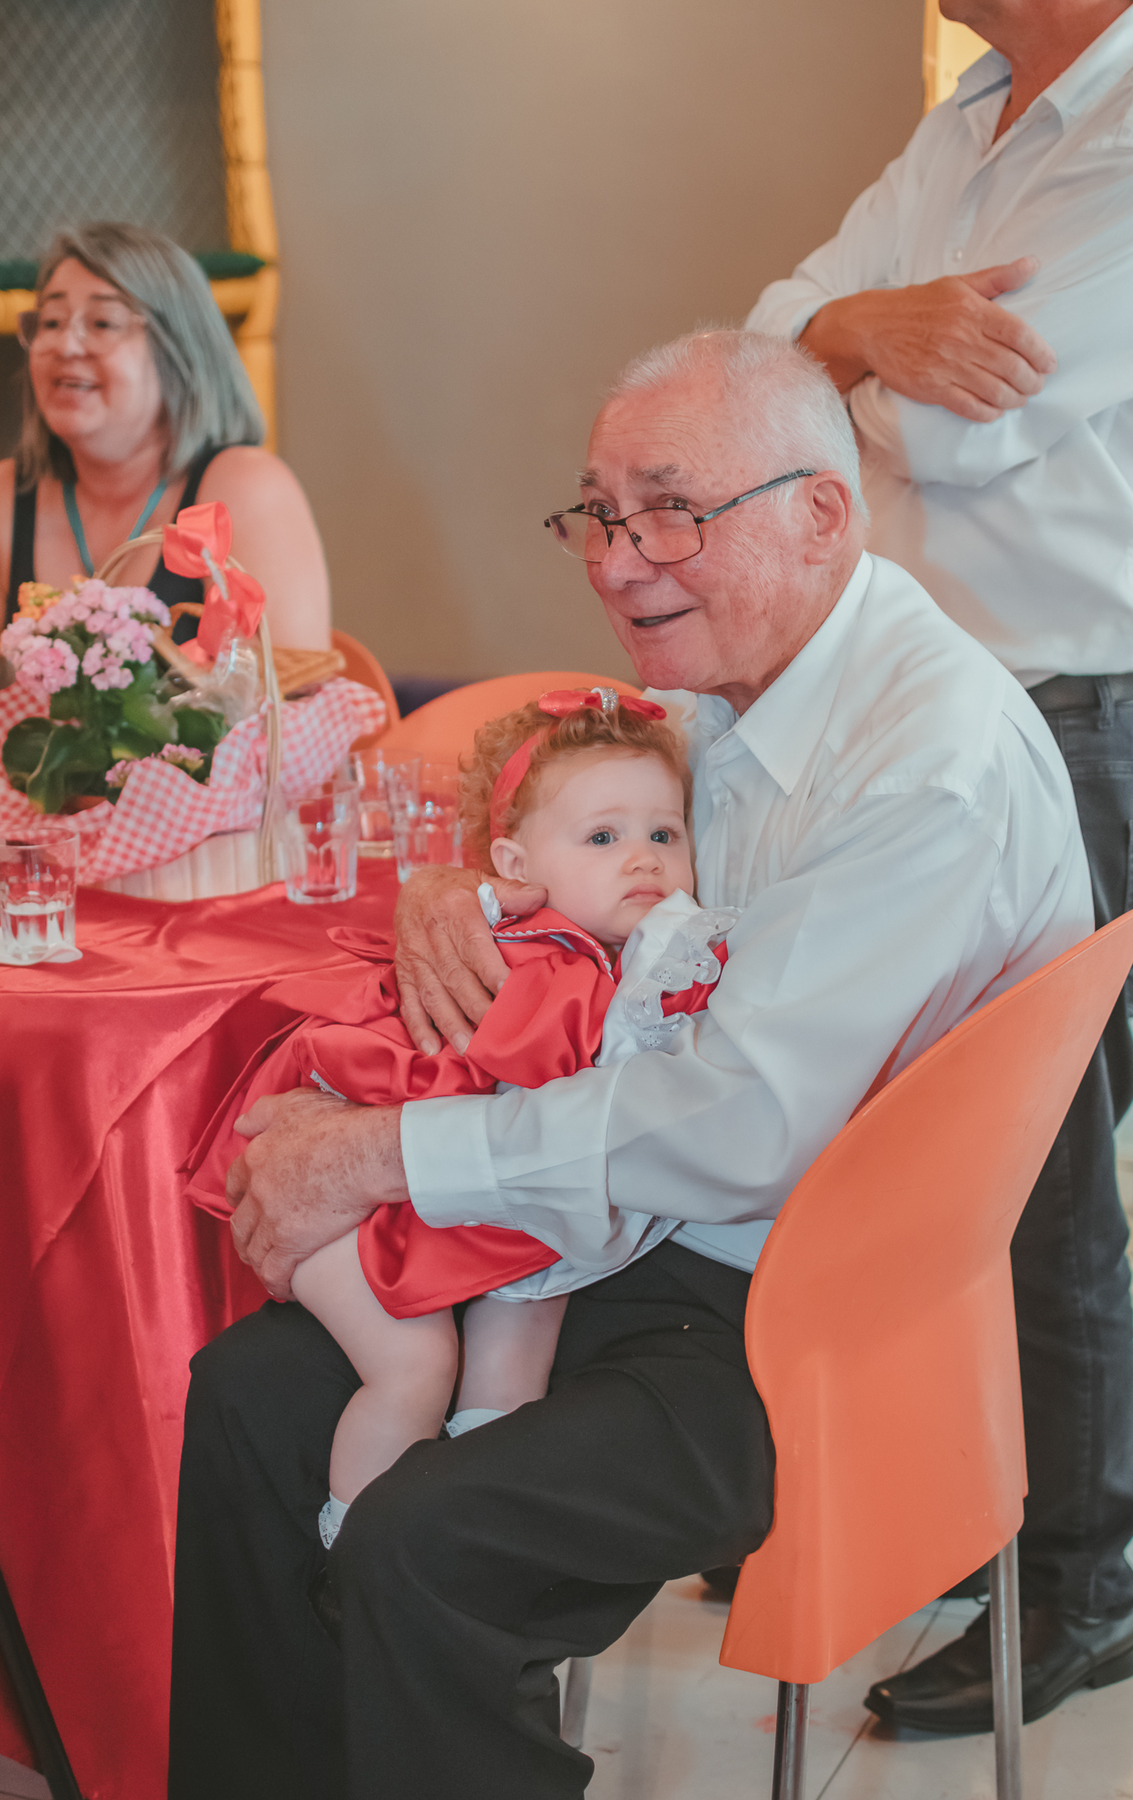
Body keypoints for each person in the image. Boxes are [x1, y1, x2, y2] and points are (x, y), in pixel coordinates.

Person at [168, 329, 1091, 1800]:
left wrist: (383, 1153)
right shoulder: (741, 680)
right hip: (645, 1251)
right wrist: (450, 887)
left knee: (425, 1539)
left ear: (822, 514)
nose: (615, 559)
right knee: (245, 1404)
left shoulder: (926, 766)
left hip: (802, 1318)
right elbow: (560, 809)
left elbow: (736, 1128)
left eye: (670, 510)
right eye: (599, 512)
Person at [744, 0, 1133, 1733]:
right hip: (961, 707)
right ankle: (982, 1519)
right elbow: (760, 359)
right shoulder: (966, 118)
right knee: (930, 1140)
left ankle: (1084, 1581)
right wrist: (850, 331)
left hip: (1085, 713)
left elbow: (977, 431)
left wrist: (849, 375)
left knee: (1032, 1165)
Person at [185, 691, 736, 1549]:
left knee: (532, 1315)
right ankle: (355, 1549)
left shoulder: (595, 960)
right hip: (354, 1210)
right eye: (604, 837)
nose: (644, 859)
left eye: (665, 835)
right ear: (513, 864)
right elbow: (551, 1088)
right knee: (414, 1366)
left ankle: (472, 1505)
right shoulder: (539, 967)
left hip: (454, 1207)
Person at [0, 220, 331, 733]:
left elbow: (295, 731)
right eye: (50, 322)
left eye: (101, 324)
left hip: (220, 814)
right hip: (19, 812)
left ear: (178, 349)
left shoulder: (247, 490)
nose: (64, 344)